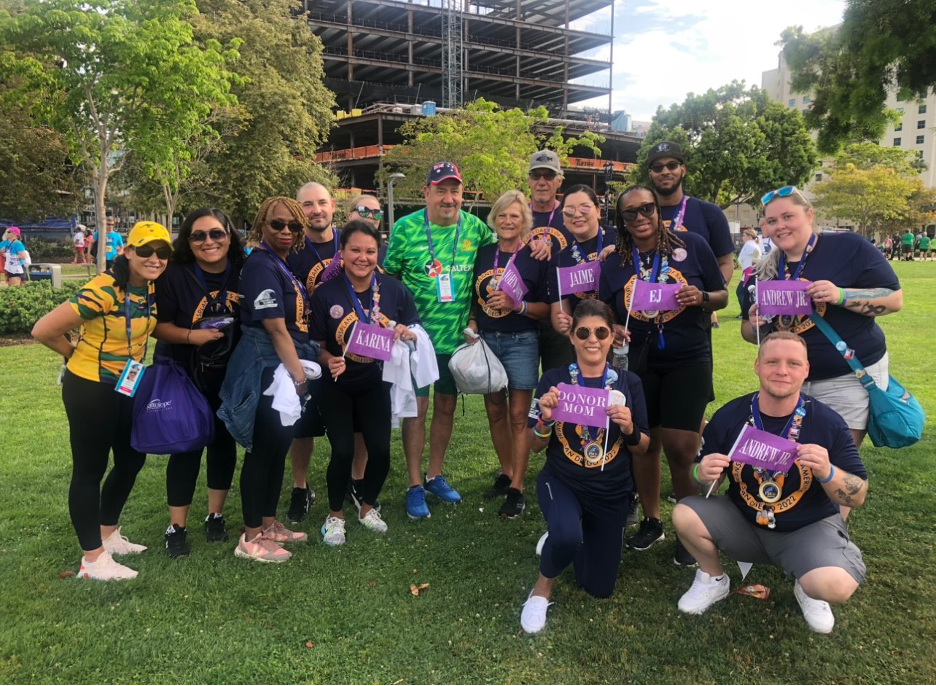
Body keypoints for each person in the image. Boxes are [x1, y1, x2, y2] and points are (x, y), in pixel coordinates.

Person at [673, 332, 868, 634]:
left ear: (806, 370)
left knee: (835, 585)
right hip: (745, 521)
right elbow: (700, 480)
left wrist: (829, 472)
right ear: (757, 366)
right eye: (772, 361)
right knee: (684, 513)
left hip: (806, 527)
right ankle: (713, 578)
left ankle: (808, 583)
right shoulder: (731, 416)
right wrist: (701, 473)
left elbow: (856, 496)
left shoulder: (828, 423)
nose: (782, 370)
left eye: (793, 363)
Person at [384, 161, 548, 518]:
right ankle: (414, 485)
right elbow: (388, 281)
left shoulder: (476, 230)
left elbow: (511, 242)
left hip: (459, 342)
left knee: (444, 409)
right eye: (440, 190)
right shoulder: (404, 228)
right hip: (416, 342)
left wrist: (539, 242)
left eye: (454, 190)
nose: (448, 198)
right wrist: (393, 322)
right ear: (426, 192)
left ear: (462, 194)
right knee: (417, 410)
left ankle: (434, 475)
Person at [31, 221, 172, 580]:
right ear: (127, 252)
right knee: (89, 470)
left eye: (163, 252)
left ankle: (108, 535)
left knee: (131, 458)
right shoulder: (105, 288)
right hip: (90, 388)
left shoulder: (149, 288)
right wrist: (71, 353)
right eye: (146, 250)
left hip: (127, 386)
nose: (155, 258)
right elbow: (44, 329)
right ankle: (92, 561)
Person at [600, 185, 727, 565]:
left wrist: (700, 297)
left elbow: (721, 294)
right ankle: (652, 521)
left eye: (646, 209)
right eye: (630, 214)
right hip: (638, 362)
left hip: (688, 356)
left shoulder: (692, 245)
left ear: (658, 210)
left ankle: (691, 526)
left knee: (681, 446)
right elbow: (605, 309)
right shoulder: (616, 261)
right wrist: (614, 329)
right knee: (644, 443)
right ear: (621, 221)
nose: (640, 218)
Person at [741, 186, 902, 458]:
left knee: (833, 463)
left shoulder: (848, 247)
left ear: (809, 215)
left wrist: (841, 295)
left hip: (847, 377)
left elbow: (894, 299)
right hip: (788, 381)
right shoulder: (762, 270)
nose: (780, 226)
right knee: (791, 464)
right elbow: (748, 333)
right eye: (772, 221)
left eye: (788, 217)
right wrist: (753, 323)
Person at [520, 299, 650, 634]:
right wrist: (545, 422)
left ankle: (566, 534)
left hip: (610, 491)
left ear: (611, 337)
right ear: (573, 338)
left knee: (599, 587)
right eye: (584, 332)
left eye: (601, 332)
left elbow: (643, 446)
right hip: (563, 480)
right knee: (566, 534)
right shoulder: (553, 379)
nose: (592, 339)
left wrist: (629, 427)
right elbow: (535, 446)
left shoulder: (628, 383)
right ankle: (540, 590)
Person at [218, 197, 318, 563]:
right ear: (262, 226)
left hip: (282, 367)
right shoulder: (261, 265)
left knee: (278, 449)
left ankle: (269, 523)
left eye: (294, 225)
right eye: (277, 225)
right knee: (262, 453)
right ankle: (250, 537)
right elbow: (276, 329)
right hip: (267, 368)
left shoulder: (282, 264)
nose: (286, 231)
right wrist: (299, 378)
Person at [310, 220, 420, 545]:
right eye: (355, 250)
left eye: (370, 251)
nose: (363, 257)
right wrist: (328, 359)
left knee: (382, 452)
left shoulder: (394, 290)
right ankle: (334, 516)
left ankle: (367, 508)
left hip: (376, 382)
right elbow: (315, 345)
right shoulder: (325, 294)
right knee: (343, 451)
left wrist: (406, 333)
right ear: (341, 252)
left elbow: (414, 331)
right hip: (336, 385)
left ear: (378, 253)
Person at [153, 208, 247, 557]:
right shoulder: (174, 275)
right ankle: (176, 526)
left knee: (223, 445)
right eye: (199, 235)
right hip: (186, 373)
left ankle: (215, 516)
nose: (209, 242)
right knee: (186, 447)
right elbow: (157, 326)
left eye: (217, 234)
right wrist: (193, 336)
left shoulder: (242, 271)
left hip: (230, 376)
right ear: (188, 241)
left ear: (229, 236)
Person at [467, 190, 550, 518]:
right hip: (487, 341)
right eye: (502, 215)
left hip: (521, 340)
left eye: (514, 216)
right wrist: (473, 320)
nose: (507, 221)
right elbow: (474, 296)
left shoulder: (535, 256)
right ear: (494, 218)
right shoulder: (484, 253)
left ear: (524, 221)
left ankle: (517, 486)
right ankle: (506, 471)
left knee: (518, 415)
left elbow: (546, 308)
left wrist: (519, 305)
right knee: (495, 411)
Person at [645, 141, 733, 330]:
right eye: (658, 167)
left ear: (682, 169)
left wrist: (708, 294)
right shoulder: (640, 214)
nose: (665, 171)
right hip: (645, 316)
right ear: (650, 174)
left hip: (693, 320)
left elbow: (725, 262)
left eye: (672, 165)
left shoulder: (710, 213)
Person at [527, 149, 576, 370]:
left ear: (559, 181)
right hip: (523, 314)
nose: (542, 182)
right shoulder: (516, 216)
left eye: (549, 175)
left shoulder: (572, 215)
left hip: (561, 313)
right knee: (517, 387)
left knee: (559, 384)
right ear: (529, 181)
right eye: (536, 176)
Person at [549, 185, 617, 338]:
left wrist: (622, 252)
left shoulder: (621, 239)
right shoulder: (559, 260)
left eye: (584, 208)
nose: (577, 215)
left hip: (624, 337)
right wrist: (564, 326)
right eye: (569, 211)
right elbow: (559, 311)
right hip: (586, 340)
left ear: (598, 211)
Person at [736, 228, 762, 313]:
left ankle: (746, 311)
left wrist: (753, 265)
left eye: (744, 235)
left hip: (749, 272)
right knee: (743, 292)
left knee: (741, 292)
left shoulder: (749, 244)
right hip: (748, 272)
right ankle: (745, 311)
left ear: (749, 236)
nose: (742, 237)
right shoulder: (752, 244)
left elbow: (755, 252)